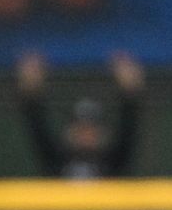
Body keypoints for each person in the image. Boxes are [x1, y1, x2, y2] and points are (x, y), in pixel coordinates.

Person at [16, 51, 145, 179]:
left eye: (91, 128)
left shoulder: (113, 164)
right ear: (69, 131)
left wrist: (131, 92)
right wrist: (30, 92)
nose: (86, 134)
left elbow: (129, 129)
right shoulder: (57, 161)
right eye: (81, 128)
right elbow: (37, 128)